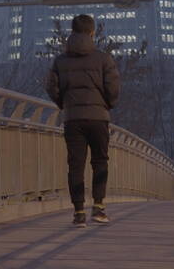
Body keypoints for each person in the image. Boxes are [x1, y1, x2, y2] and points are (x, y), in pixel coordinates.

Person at [46, 14, 120, 227]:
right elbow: (114, 87)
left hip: (73, 118)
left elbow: (51, 86)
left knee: (75, 165)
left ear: (72, 32)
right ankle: (98, 207)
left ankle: (79, 212)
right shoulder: (103, 59)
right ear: (92, 32)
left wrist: (65, 104)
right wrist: (107, 104)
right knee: (100, 161)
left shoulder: (60, 61)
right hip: (98, 118)